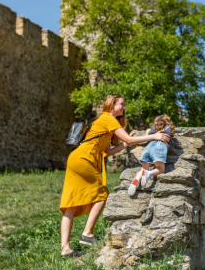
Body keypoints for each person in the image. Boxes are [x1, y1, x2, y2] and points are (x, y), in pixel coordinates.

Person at [59, 94, 170, 257]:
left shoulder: (103, 121)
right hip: (83, 159)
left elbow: (107, 152)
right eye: (122, 104)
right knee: (101, 194)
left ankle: (65, 249)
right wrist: (154, 136)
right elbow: (127, 139)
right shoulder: (108, 118)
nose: (124, 108)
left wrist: (125, 144)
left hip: (76, 158)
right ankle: (87, 234)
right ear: (112, 105)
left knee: (71, 204)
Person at [128, 114, 175, 196]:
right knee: (160, 169)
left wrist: (147, 131)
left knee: (143, 169)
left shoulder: (153, 130)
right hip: (159, 148)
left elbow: (146, 137)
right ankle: (148, 174)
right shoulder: (168, 129)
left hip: (148, 148)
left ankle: (135, 182)